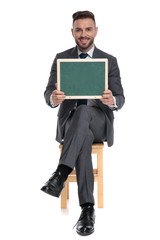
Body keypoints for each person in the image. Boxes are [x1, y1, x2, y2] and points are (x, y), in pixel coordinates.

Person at [41, 10, 125, 236]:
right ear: (72, 32)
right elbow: (48, 92)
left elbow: (121, 98)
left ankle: (61, 172)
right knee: (82, 132)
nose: (83, 34)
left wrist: (112, 100)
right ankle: (87, 209)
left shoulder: (109, 60)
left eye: (88, 29)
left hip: (98, 120)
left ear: (95, 31)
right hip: (71, 125)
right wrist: (53, 98)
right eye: (78, 30)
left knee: (85, 112)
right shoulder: (61, 58)